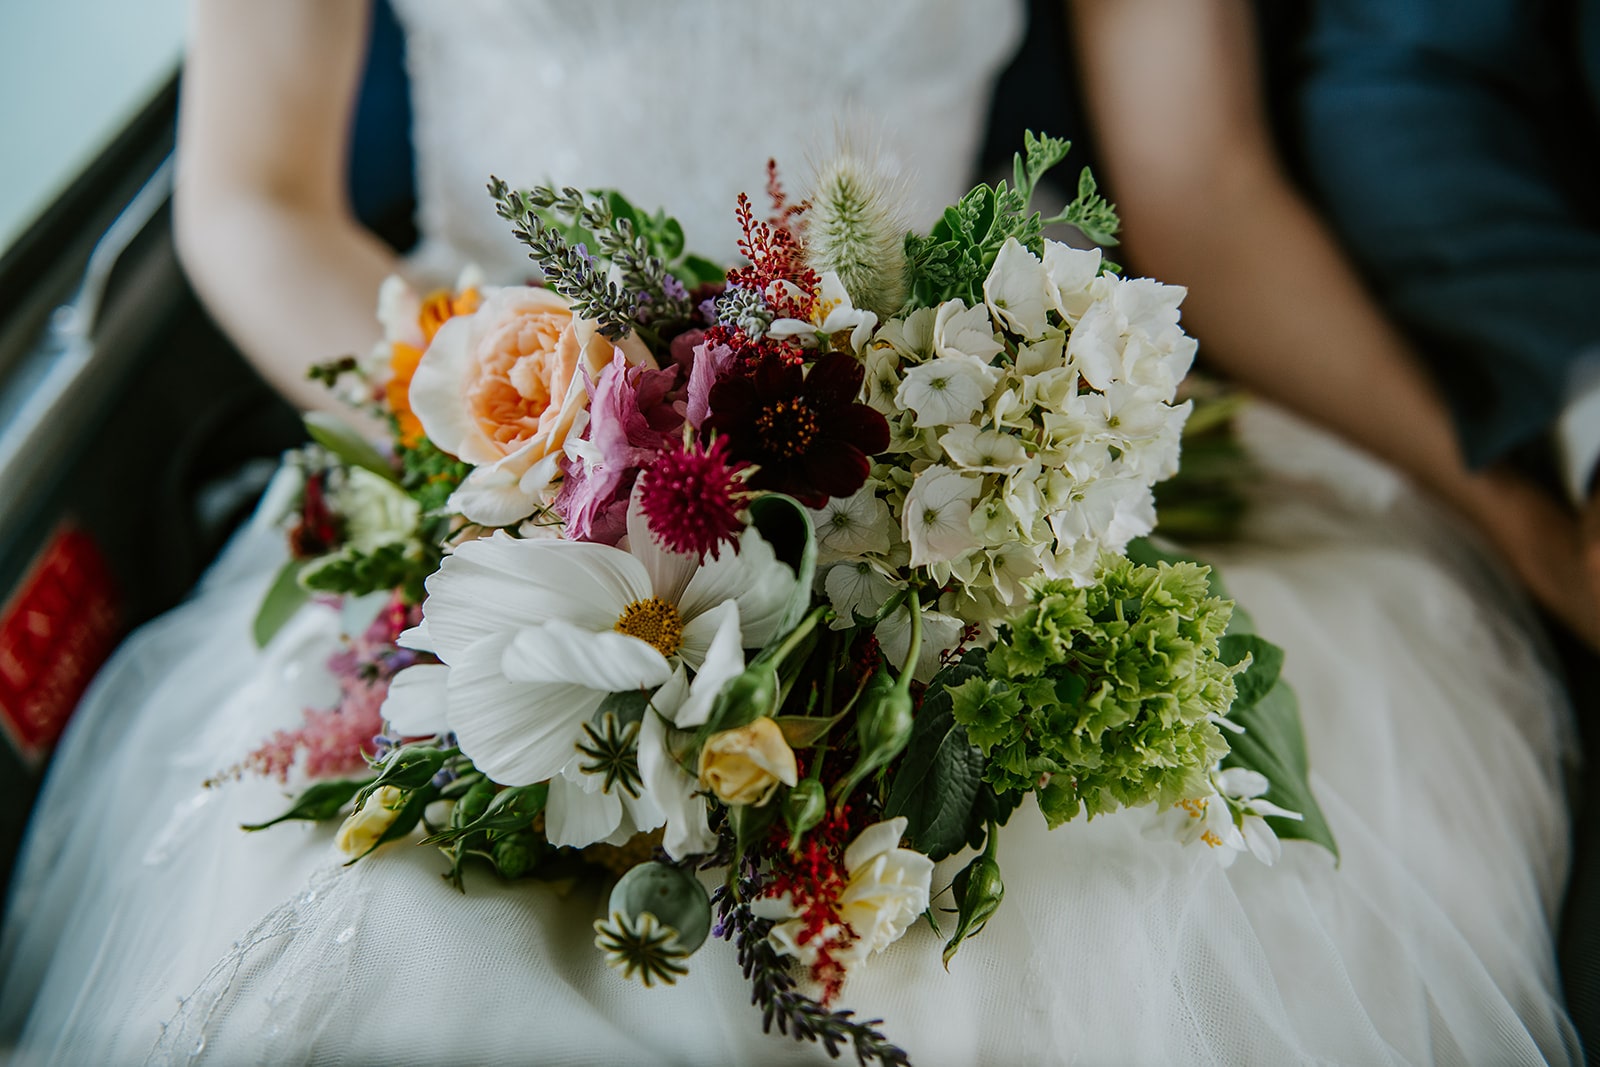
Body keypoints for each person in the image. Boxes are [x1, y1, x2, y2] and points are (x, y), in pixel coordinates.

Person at [0, 1, 1581, 1062]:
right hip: (495, 428)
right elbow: (253, 200)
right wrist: (532, 428)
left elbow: (1205, 193)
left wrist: (1511, 508)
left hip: (929, 462)